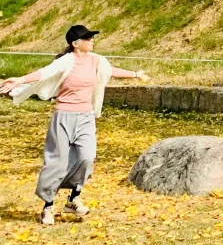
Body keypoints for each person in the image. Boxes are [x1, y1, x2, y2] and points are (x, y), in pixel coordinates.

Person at [0, 25, 149, 225]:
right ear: (75, 43)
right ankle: (48, 207)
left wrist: (135, 74)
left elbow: (110, 71)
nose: (92, 41)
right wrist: (19, 80)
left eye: (91, 37)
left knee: (87, 157)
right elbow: (44, 73)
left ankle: (72, 199)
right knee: (57, 162)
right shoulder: (66, 61)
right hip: (63, 116)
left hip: (86, 116)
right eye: (87, 38)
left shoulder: (97, 60)